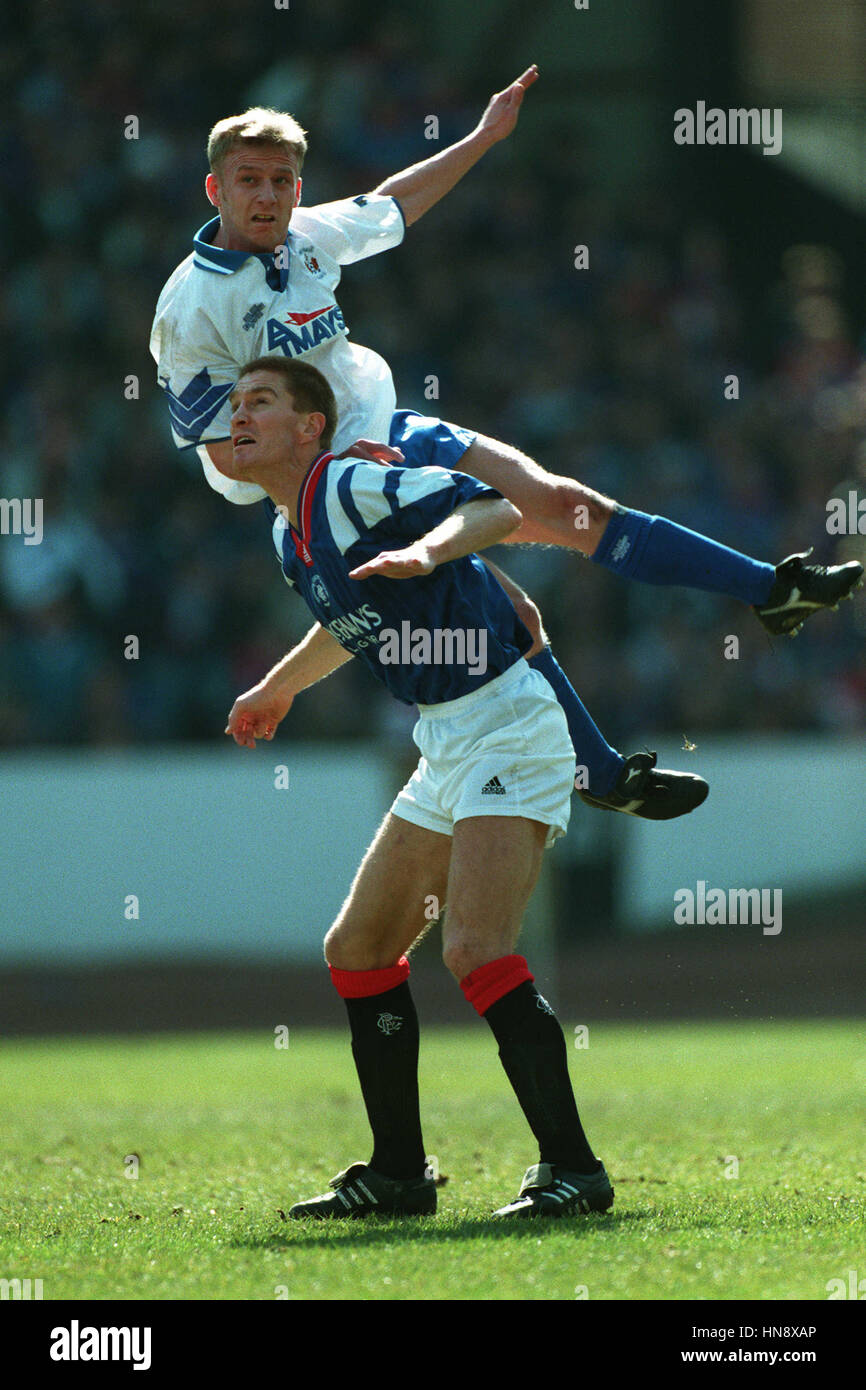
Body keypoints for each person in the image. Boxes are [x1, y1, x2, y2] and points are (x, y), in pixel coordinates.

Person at [151, 73, 863, 816]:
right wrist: (320, 471)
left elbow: (394, 204)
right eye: (249, 181)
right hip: (334, 493)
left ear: (298, 187)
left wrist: (484, 136)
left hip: (386, 430)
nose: (267, 196)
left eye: (282, 180)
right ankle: (604, 775)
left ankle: (769, 593)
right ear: (215, 190)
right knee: (511, 612)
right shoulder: (192, 309)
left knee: (566, 503)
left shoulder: (304, 239)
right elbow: (220, 454)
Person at [222, 354, 631, 1219]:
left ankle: (575, 1171)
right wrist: (279, 686)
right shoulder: (286, 532)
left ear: (311, 427)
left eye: (260, 400)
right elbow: (352, 622)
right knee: (358, 949)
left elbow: (494, 507)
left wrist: (426, 550)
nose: (238, 415)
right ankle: (400, 1176)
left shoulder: (352, 484)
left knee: (477, 950)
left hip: (508, 722)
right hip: (446, 739)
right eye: (233, 405)